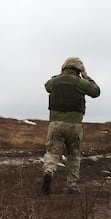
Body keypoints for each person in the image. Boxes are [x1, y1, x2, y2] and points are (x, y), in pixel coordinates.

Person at [41, 57, 100, 195]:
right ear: (79, 70)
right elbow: (96, 92)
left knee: (52, 152)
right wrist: (87, 76)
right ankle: (71, 185)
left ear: (64, 68)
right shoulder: (81, 83)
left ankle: (49, 172)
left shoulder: (54, 82)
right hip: (74, 125)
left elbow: (47, 86)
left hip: (55, 124)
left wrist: (60, 75)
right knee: (73, 154)